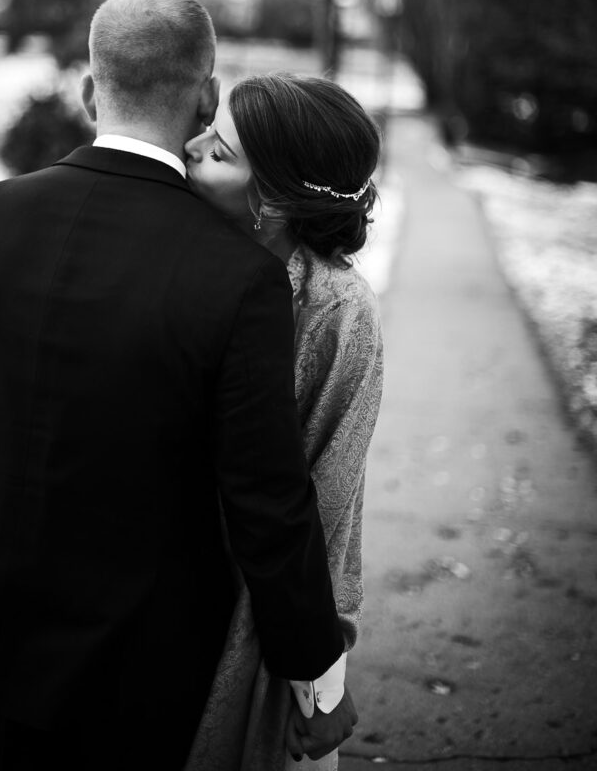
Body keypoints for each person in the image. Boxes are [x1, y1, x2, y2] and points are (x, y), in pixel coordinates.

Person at [0, 0, 356, 770]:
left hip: (3, 642)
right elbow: (268, 502)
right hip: (151, 671)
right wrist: (317, 675)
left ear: (90, 91)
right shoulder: (235, 275)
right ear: (208, 98)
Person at [184, 72, 384, 770]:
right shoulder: (187, 257)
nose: (189, 146)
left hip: (270, 613)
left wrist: (317, 680)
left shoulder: (337, 313)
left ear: (267, 201)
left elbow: (326, 498)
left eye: (217, 150)